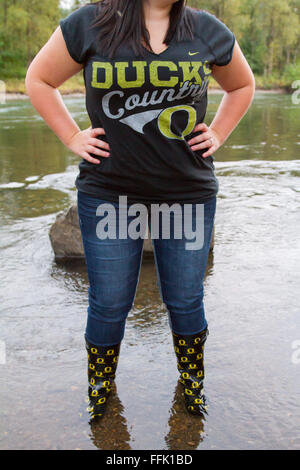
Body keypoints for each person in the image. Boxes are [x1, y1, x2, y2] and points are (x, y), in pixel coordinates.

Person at [25, 0, 255, 422]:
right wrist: (72, 135)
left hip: (186, 191)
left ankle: (192, 386)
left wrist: (219, 132)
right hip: (110, 192)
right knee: (110, 302)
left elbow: (242, 85)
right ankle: (99, 388)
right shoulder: (91, 22)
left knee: (185, 300)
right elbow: (39, 79)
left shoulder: (205, 29)